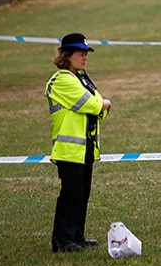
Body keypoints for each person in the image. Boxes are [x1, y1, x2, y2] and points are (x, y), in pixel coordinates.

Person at [44, 33, 112, 253]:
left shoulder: (81, 78)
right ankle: (62, 240)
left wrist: (100, 105)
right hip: (69, 149)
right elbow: (93, 104)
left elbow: (98, 108)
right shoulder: (62, 80)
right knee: (71, 194)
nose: (84, 57)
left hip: (86, 146)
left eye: (85, 53)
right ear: (66, 55)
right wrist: (101, 104)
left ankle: (76, 236)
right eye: (80, 53)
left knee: (83, 194)